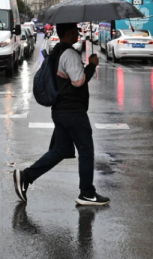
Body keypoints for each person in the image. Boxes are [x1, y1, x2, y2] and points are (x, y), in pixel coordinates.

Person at [13, 23, 108, 206]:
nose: (78, 33)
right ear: (69, 32)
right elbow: (78, 81)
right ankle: (87, 193)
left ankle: (26, 177)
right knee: (86, 150)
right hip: (73, 111)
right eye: (76, 31)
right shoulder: (69, 54)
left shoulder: (56, 51)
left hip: (60, 110)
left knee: (60, 150)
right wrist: (92, 66)